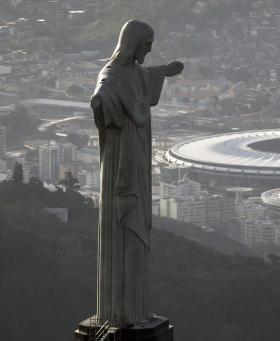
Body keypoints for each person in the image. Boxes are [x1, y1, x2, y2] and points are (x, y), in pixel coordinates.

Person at [91, 20, 183, 326]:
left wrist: (164, 71)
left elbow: (145, 77)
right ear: (132, 44)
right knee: (121, 229)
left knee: (138, 229)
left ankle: (136, 311)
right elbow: (104, 91)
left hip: (138, 157)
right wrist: (100, 100)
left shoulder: (134, 73)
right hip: (121, 161)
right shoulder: (112, 75)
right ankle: (119, 314)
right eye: (146, 45)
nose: (149, 49)